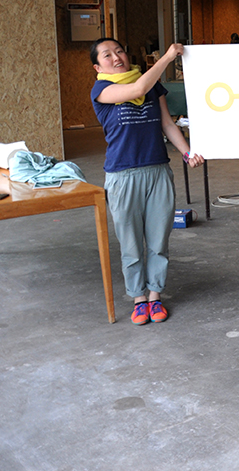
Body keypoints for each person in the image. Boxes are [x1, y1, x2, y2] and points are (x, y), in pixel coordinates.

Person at [90, 39, 204, 325]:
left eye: (119, 51)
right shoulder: (102, 90)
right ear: (98, 67)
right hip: (122, 175)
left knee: (158, 241)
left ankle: (155, 296)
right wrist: (167, 58)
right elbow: (137, 90)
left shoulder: (153, 86)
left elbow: (167, 124)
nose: (116, 57)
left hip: (157, 171)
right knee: (130, 244)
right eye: (107, 55)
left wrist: (187, 152)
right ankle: (138, 299)